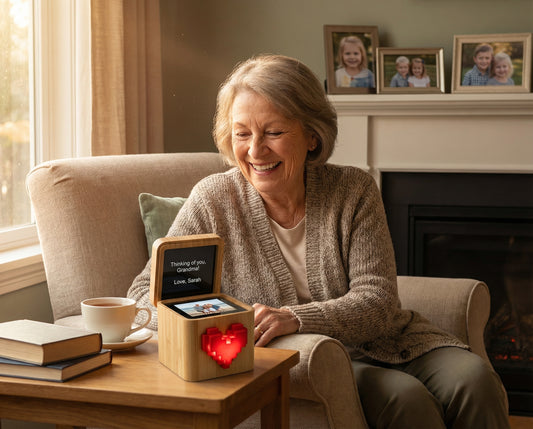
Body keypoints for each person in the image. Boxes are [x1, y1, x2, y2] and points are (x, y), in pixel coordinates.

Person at [128, 54, 509, 429]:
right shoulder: (213, 200)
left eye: (274, 132)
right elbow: (146, 294)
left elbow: (377, 302)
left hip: (389, 338)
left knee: (475, 379)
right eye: (242, 133)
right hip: (311, 359)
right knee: (407, 399)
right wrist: (227, 321)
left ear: (312, 136)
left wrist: (295, 317)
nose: (255, 150)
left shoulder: (353, 189)